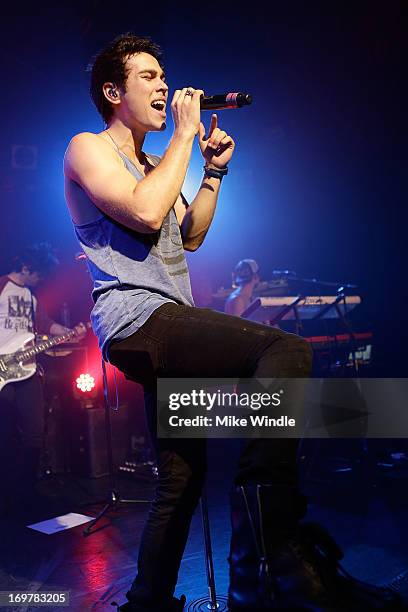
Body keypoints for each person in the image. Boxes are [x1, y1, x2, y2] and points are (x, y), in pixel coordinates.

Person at [64, 33, 402, 612]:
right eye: (147, 77)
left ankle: (147, 600)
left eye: (163, 75)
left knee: (181, 474)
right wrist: (179, 139)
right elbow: (145, 211)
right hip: (137, 321)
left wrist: (213, 172)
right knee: (286, 353)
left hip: (172, 318)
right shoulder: (88, 148)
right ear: (112, 91)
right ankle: (266, 552)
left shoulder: (156, 164)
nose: (164, 85)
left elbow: (187, 235)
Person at [0, 243, 86, 516]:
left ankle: (27, 491)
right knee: (6, 437)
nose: (41, 280)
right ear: (26, 267)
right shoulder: (1, 286)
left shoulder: (31, 297)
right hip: (3, 372)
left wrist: (69, 331)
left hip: (27, 371)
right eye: (39, 274)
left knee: (35, 434)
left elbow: (45, 324)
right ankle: (8, 496)